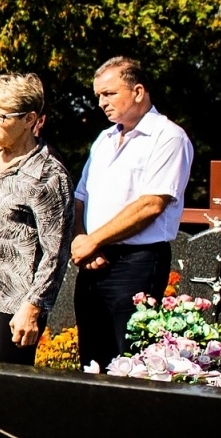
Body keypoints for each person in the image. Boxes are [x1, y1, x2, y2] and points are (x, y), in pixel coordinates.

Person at [70, 56, 193, 370]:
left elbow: (151, 204)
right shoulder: (104, 139)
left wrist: (93, 239)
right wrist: (81, 240)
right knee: (92, 360)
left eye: (109, 94)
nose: (101, 103)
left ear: (138, 92)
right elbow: (81, 198)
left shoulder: (168, 137)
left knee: (131, 361)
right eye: (98, 95)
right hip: (92, 261)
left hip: (136, 263)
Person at [0, 74, 73, 364]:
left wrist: (33, 307)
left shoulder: (47, 175)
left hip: (10, 308)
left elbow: (55, 251)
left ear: (29, 119)